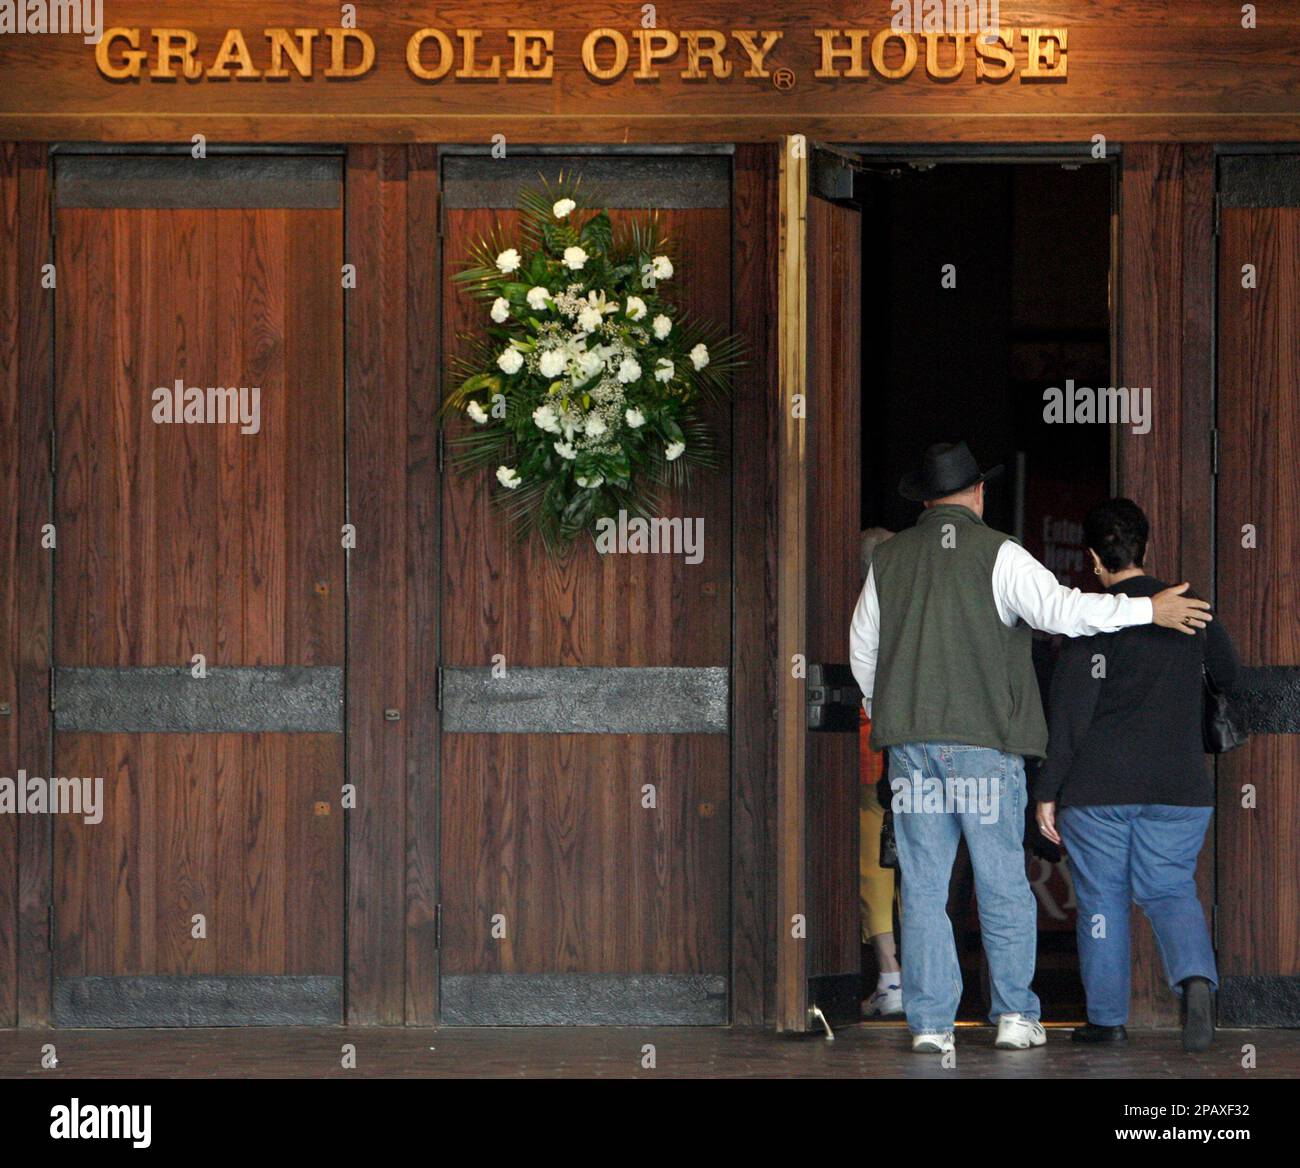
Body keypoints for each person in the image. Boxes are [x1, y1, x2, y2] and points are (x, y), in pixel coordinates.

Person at [849, 441, 1213, 1056]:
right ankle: (1015, 1014)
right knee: (1001, 885)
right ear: (979, 494)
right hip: (987, 749)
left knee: (924, 887)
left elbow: (864, 652)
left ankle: (932, 1025)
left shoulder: (889, 559)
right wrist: (1146, 607)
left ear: (927, 500)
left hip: (911, 749)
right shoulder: (1001, 555)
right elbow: (1063, 613)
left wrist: (895, 711)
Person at [1034, 498, 1239, 1053]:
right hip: (1178, 787)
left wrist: (1047, 792)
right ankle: (1196, 981)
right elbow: (1229, 675)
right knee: (1171, 889)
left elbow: (1071, 717)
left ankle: (1106, 1021)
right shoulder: (1191, 608)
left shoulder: (1089, 620)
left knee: (1102, 900)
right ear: (1146, 547)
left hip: (1098, 790)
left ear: (1095, 559)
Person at [858, 528, 902, 1019]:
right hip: (914, 757)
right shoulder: (915, 607)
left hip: (868, 759)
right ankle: (924, 977)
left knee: (875, 868)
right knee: (918, 870)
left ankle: (891, 977)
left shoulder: (855, 612)